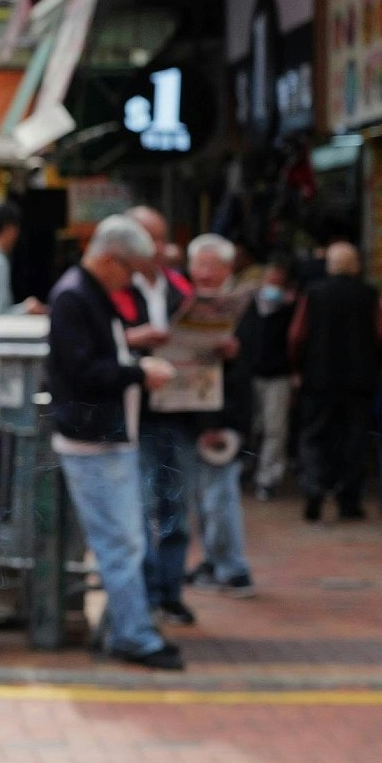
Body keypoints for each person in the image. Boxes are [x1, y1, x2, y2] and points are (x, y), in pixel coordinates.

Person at [46, 214, 183, 671]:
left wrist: (133, 358)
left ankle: (123, 629)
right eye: (129, 269)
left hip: (107, 437)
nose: (132, 279)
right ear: (107, 259)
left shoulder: (89, 294)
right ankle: (133, 636)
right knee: (121, 544)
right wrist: (140, 372)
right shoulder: (74, 296)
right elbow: (83, 372)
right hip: (93, 442)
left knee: (123, 542)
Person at [126, 206, 199, 626]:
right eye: (144, 238)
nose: (154, 248)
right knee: (137, 510)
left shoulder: (179, 287)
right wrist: (139, 339)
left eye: (158, 238)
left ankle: (170, 590)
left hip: (178, 411)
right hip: (134, 414)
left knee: (175, 508)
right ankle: (147, 591)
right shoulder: (116, 287)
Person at [289, 241, 382, 522]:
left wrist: (297, 368)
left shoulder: (313, 293)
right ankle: (349, 500)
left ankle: (314, 490)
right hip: (359, 379)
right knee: (354, 438)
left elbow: (297, 336)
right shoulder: (369, 294)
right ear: (356, 265)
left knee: (314, 436)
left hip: (318, 378)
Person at [182, 234, 256, 600]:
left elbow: (254, 363)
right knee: (201, 497)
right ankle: (213, 561)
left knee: (219, 496)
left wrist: (236, 354)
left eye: (214, 266)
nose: (205, 273)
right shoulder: (182, 301)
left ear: (228, 268)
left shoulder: (243, 307)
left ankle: (232, 568)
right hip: (188, 411)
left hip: (224, 414)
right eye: (200, 264)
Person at [236, 255, 297, 500]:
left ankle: (267, 478)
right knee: (250, 425)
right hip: (249, 374)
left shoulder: (291, 309)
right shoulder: (247, 305)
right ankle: (246, 469)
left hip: (277, 375)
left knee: (275, 429)